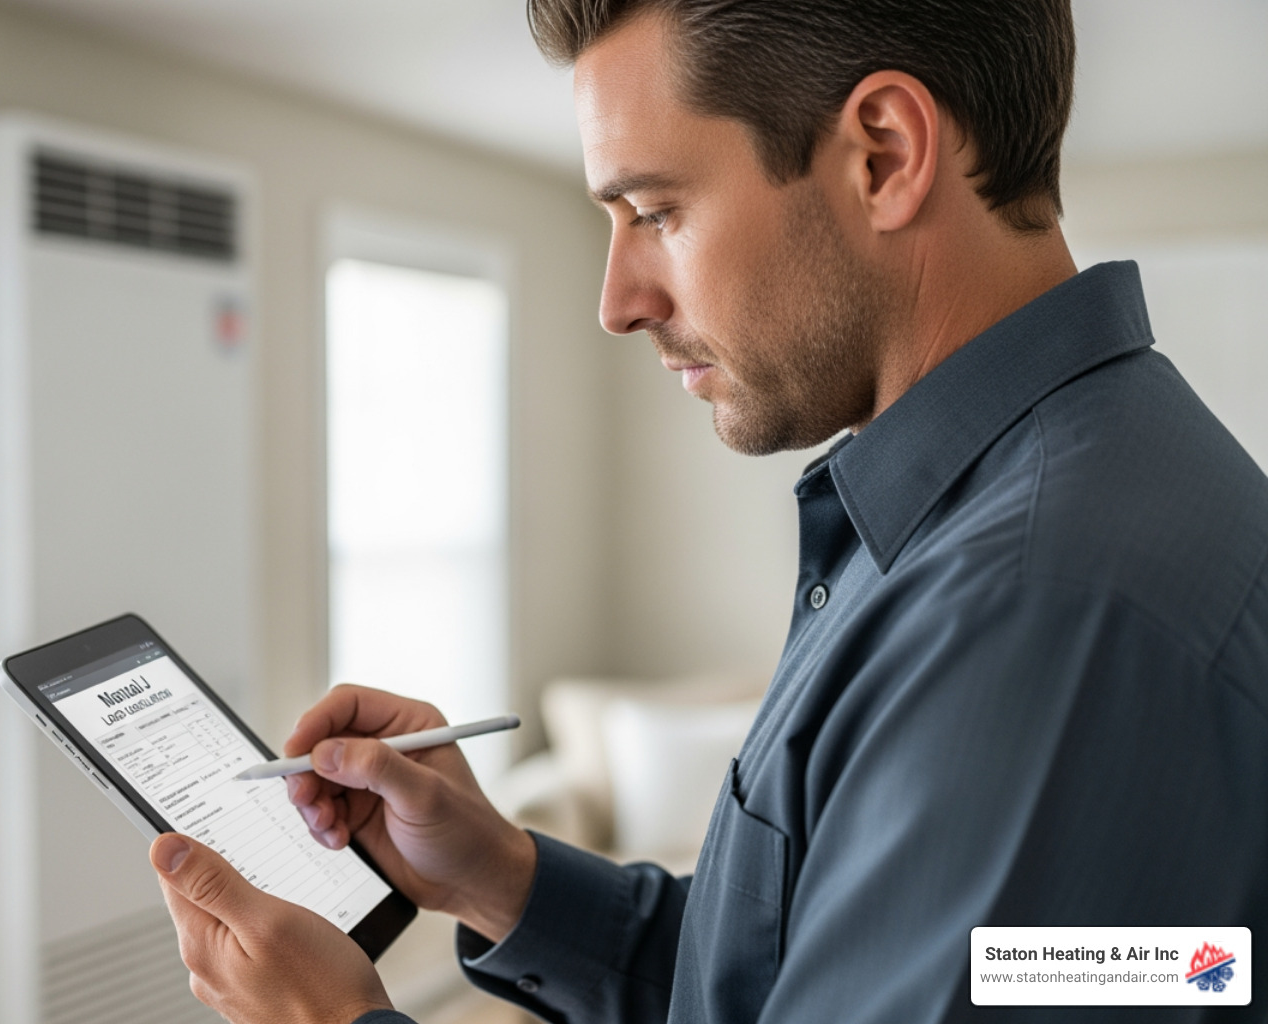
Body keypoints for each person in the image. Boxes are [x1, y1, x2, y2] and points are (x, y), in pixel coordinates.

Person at [147, 1, 1268, 1021]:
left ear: (884, 153)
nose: (617, 302)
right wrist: (506, 878)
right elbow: (812, 970)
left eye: (653, 210)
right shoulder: (996, 517)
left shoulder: (1040, 616)